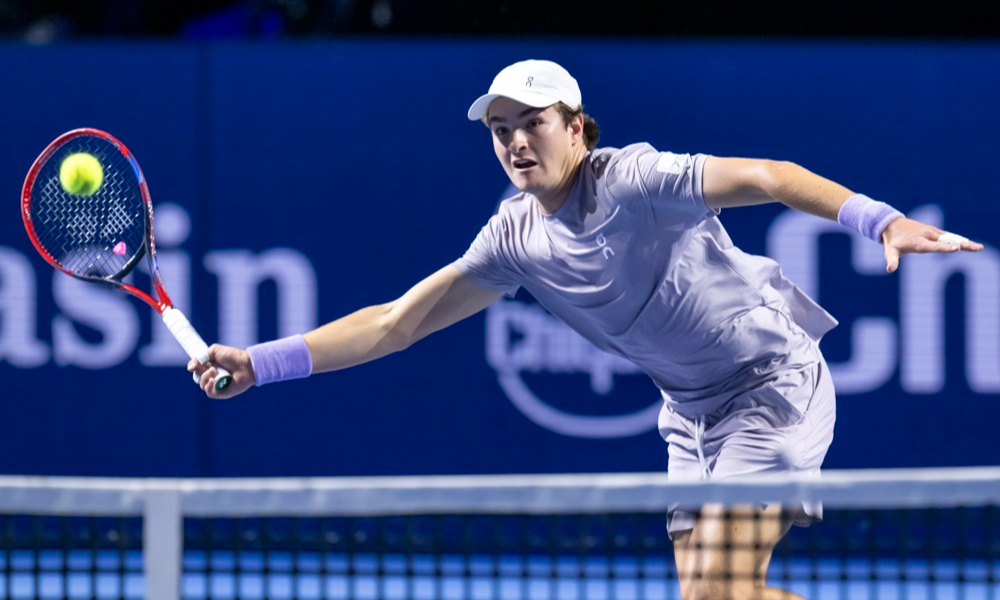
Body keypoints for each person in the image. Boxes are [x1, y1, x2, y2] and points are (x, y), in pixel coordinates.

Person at [190, 59, 983, 600]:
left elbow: (770, 177)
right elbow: (395, 324)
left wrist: (878, 220)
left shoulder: (636, 180)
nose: (514, 141)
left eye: (532, 122)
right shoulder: (512, 237)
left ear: (577, 129)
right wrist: (261, 362)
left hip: (771, 387)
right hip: (689, 414)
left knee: (715, 588)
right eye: (500, 129)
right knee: (715, 598)